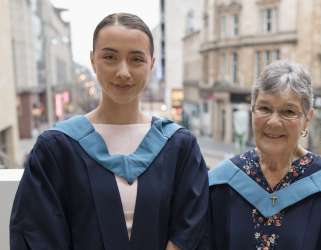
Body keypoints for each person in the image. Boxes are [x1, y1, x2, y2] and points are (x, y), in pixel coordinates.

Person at [10, 13, 208, 250]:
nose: (123, 72)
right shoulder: (56, 148)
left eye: (136, 59)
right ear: (93, 61)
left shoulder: (180, 147)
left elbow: (192, 229)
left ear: (152, 64)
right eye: (110, 57)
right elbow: (38, 233)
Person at [207, 60, 321, 249]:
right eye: (264, 108)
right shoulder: (219, 186)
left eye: (288, 111)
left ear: (307, 119)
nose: (274, 121)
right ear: (252, 110)